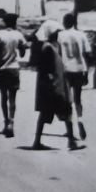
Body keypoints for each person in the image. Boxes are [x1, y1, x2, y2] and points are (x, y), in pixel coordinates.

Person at [30, 19, 81, 151]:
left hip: (58, 83)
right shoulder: (47, 48)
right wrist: (54, 85)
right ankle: (71, 142)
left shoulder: (55, 45)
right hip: (53, 86)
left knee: (52, 113)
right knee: (63, 111)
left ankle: (39, 141)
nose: (58, 34)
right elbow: (46, 70)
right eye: (56, 32)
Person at [0, 13, 28, 138]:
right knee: (13, 97)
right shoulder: (19, 35)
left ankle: (6, 121)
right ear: (15, 22)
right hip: (14, 68)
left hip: (2, 69)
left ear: (5, 22)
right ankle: (12, 121)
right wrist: (21, 48)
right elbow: (22, 53)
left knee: (3, 97)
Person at [57, 11, 91, 142]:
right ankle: (80, 120)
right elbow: (87, 53)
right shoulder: (81, 35)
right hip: (79, 68)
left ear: (65, 23)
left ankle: (69, 128)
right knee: (78, 98)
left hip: (66, 69)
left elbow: (59, 53)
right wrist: (87, 72)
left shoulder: (60, 35)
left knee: (67, 100)